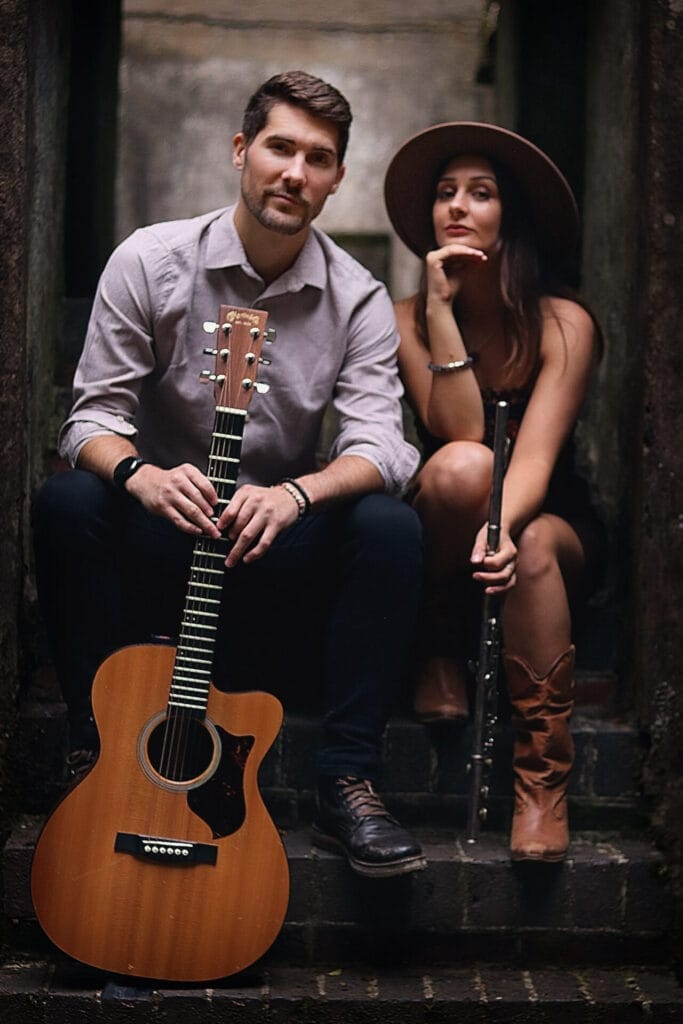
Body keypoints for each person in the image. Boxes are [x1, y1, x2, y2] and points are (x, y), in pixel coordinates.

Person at [32, 71, 426, 879]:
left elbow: (385, 447)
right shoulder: (150, 260)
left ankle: (346, 775)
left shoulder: (357, 298)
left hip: (269, 556)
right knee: (70, 502)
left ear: (336, 178)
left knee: (389, 524)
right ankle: (96, 749)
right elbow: (89, 420)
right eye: (279, 147)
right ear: (242, 151)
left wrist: (295, 494)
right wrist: (139, 474)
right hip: (165, 542)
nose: (295, 172)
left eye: (318, 159)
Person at [383, 122, 605, 862]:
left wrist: (501, 530)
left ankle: (541, 777)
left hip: (546, 517)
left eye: (480, 193)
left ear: (510, 215)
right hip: (446, 520)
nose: (456, 206)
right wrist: (440, 311)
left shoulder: (562, 323)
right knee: (459, 467)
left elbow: (535, 461)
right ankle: (438, 643)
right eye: (445, 193)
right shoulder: (405, 322)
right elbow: (461, 429)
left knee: (536, 544)